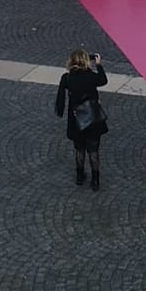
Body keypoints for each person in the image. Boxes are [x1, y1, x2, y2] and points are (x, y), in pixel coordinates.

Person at [54, 48, 109, 191]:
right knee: (93, 149)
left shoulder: (67, 78)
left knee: (79, 148)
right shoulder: (91, 77)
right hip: (92, 117)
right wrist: (99, 64)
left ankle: (79, 175)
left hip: (76, 119)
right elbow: (103, 80)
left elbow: (60, 99)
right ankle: (95, 180)